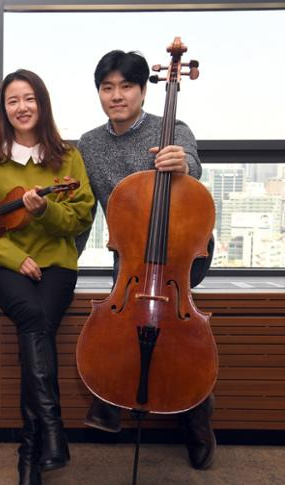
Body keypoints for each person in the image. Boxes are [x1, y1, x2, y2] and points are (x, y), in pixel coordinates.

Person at [77, 49, 216, 470]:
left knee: (178, 332)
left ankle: (196, 419)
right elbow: (85, 208)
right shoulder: (89, 143)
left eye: (126, 87)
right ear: (100, 93)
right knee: (122, 320)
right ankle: (111, 396)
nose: (116, 95)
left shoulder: (172, 129)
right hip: (130, 255)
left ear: (143, 90)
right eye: (108, 87)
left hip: (179, 252)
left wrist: (182, 164)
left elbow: (191, 163)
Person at [0, 69, 94, 485]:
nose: (21, 107)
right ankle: (51, 432)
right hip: (5, 268)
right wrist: (13, 257)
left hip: (58, 265)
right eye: (12, 101)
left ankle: (30, 453)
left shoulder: (68, 158)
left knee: (34, 333)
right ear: (4, 110)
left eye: (29, 98)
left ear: (42, 103)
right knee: (36, 323)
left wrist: (46, 210)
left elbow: (81, 216)